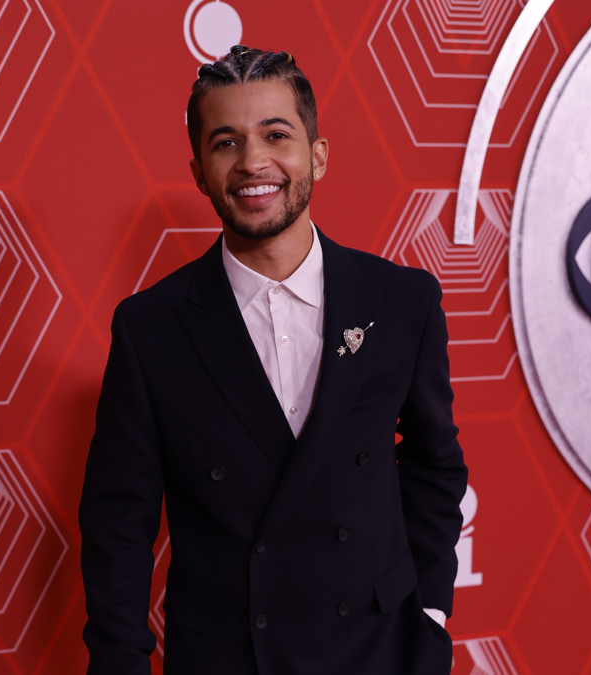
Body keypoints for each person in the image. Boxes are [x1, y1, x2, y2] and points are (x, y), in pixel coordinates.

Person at [79, 45, 467, 675]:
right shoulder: (150, 329)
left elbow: (435, 465)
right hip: (229, 657)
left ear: (317, 154)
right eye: (225, 142)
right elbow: (117, 525)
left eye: (276, 135)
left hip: (380, 650)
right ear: (200, 171)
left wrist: (430, 614)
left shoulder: (401, 301)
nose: (253, 161)